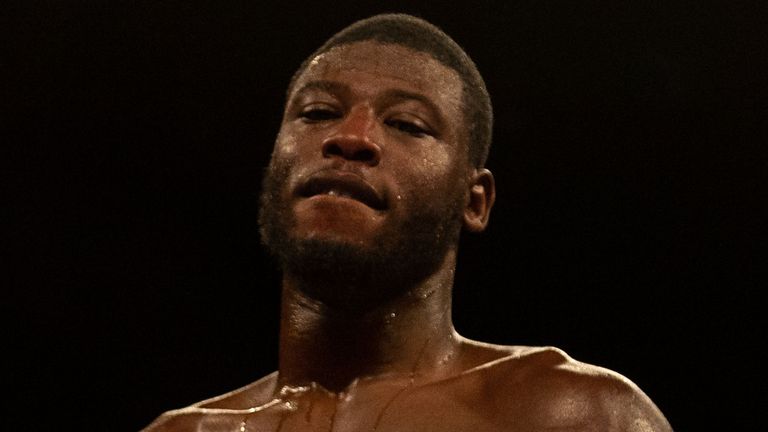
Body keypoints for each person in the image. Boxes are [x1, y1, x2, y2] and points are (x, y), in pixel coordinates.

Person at [143, 13, 672, 432]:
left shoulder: (573, 415)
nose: (351, 138)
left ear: (475, 201)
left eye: (406, 123)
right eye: (318, 112)